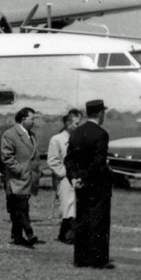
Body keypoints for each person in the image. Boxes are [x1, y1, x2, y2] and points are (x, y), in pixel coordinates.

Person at [65, 99, 114, 269]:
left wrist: (74, 178)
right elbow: (98, 163)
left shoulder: (76, 133)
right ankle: (98, 258)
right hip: (97, 184)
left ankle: (81, 257)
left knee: (82, 220)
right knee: (98, 222)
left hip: (79, 183)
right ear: (100, 113)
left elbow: (69, 159)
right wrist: (86, 178)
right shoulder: (101, 134)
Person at [0, 107, 41, 247]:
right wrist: (20, 170)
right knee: (21, 208)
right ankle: (29, 233)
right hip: (16, 180)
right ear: (23, 119)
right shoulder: (9, 134)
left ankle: (17, 237)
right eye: (32, 118)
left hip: (28, 179)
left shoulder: (32, 135)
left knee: (19, 208)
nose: (34, 121)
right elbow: (7, 157)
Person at [47, 109, 83, 244]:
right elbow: (53, 160)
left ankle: (66, 234)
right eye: (76, 123)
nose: (79, 126)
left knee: (74, 206)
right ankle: (69, 235)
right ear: (68, 124)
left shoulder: (79, 139)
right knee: (67, 206)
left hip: (77, 178)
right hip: (64, 179)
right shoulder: (57, 140)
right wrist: (64, 174)